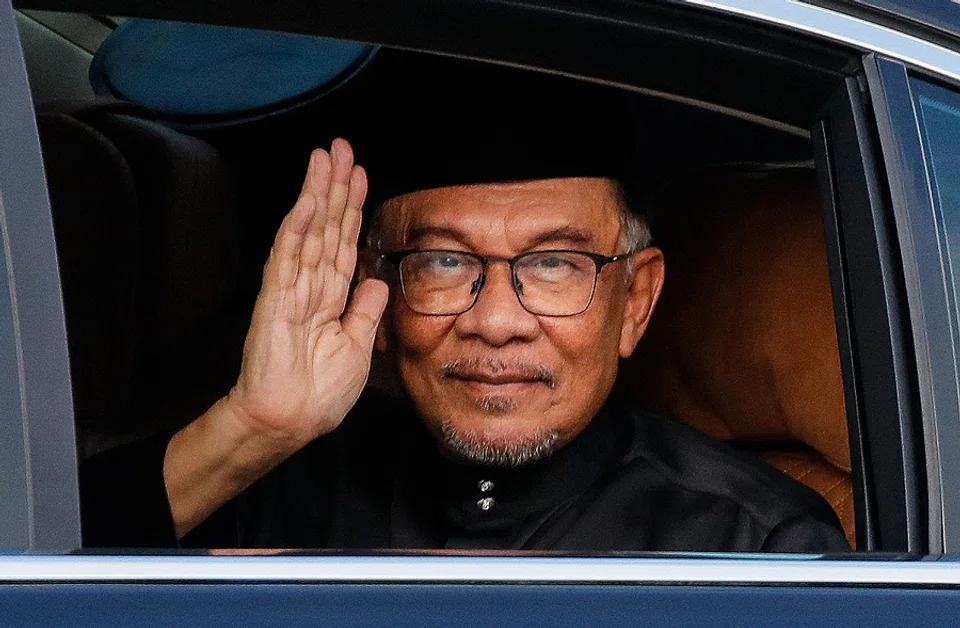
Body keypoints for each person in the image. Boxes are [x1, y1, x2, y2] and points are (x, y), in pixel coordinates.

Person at [80, 135, 849, 552]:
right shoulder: (278, 477)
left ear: (634, 302)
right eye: (445, 262)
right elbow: (36, 565)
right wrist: (251, 429)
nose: (496, 320)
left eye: (554, 265)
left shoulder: (756, 543)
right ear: (381, 291)